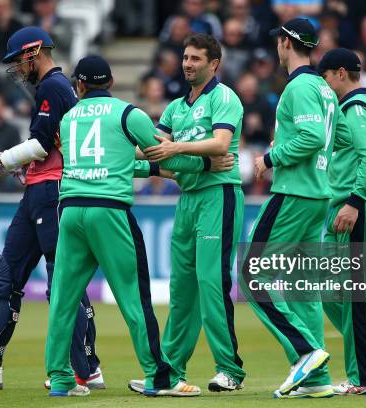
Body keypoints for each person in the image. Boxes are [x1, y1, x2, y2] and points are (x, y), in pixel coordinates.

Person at [45, 55, 234, 397]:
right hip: (110, 212)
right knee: (135, 298)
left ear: (80, 85)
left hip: (71, 211)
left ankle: (60, 379)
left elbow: (115, 163)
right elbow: (164, 153)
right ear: (112, 82)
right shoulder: (128, 113)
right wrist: (207, 163)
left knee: (63, 298)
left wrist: (159, 172)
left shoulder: (68, 118)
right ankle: (158, 378)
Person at [0, 26, 103, 391]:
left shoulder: (52, 86)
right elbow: (43, 146)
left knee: (60, 283)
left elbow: (43, 144)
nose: (16, 68)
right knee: (2, 280)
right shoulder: (52, 88)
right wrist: (18, 165)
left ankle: (85, 369)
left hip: (52, 191)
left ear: (33, 54)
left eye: (18, 60)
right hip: (38, 189)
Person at [242, 18, 334, 399]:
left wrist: (271, 156)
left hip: (295, 193)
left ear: (285, 43)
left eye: (278, 42)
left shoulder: (298, 86)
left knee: (252, 273)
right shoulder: (324, 89)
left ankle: (306, 351)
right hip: (318, 195)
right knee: (301, 288)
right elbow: (336, 137)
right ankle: (316, 380)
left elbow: (312, 137)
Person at [318, 47, 366, 395]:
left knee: (352, 291)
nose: (324, 83)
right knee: (329, 289)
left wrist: (354, 202)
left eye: (326, 76)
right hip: (345, 206)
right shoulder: (346, 109)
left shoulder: (356, 108)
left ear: (341, 73)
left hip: (357, 205)